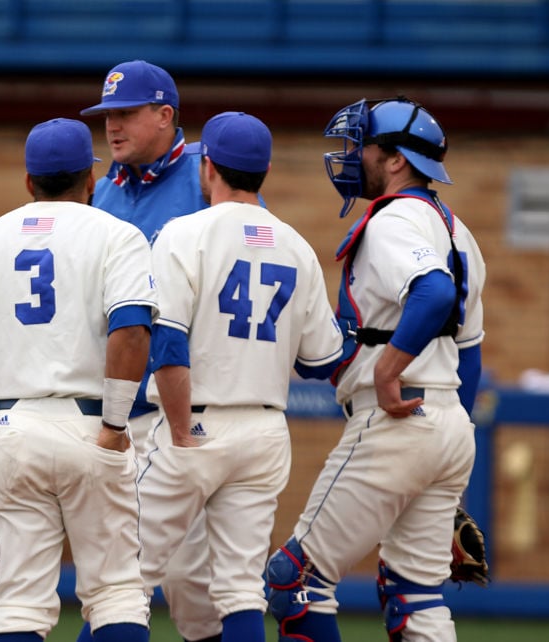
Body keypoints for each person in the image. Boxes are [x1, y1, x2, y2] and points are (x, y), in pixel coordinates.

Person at [0, 117, 157, 642]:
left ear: (29, 181)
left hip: (10, 429)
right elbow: (133, 332)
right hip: (91, 425)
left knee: (19, 603)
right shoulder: (118, 236)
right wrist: (116, 424)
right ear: (90, 181)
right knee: (116, 590)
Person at [266, 97, 487, 642]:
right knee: (415, 593)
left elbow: (433, 292)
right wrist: (445, 458)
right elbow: (471, 354)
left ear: (394, 160)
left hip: (396, 418)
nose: (351, 155)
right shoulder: (460, 232)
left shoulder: (393, 220)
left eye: (363, 144)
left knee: (295, 582)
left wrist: (388, 371)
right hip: (449, 426)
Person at [138, 111, 344, 642]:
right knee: (239, 589)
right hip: (264, 429)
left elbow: (166, 342)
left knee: (122, 581)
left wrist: (181, 431)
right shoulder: (296, 245)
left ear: (208, 167)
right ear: (266, 169)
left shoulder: (182, 233)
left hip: (195, 421)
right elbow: (321, 360)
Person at [79, 58, 220, 642]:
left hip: (184, 408)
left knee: (146, 582)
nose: (112, 126)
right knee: (174, 586)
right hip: (121, 413)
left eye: (127, 114)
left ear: (166, 115)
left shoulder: (205, 177)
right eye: (107, 115)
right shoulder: (106, 190)